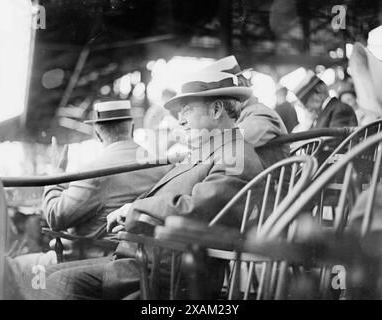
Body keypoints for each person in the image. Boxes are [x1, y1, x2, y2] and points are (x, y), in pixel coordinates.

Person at [18, 71, 287, 300]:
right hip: (146, 259)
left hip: (166, 273)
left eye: (187, 110)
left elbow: (195, 210)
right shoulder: (211, 152)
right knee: (48, 277)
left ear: (216, 110)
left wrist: (132, 209)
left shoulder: (236, 157)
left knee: (54, 283)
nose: (180, 120)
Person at [14, 101, 173, 267]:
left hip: (92, 261)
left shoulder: (94, 171)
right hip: (143, 260)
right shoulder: (161, 165)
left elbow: (55, 216)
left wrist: (56, 174)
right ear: (131, 127)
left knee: (17, 265)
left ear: (98, 132)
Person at [201, 55, 288, 147]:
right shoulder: (245, 116)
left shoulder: (262, 114)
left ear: (240, 85)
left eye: (219, 97)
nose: (217, 107)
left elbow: (232, 142)